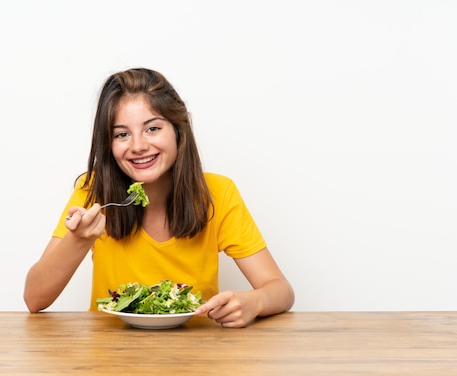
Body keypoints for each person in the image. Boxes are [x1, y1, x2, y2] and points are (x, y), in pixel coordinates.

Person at [24, 68, 294, 328]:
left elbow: (280, 290)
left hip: (197, 355)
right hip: (108, 355)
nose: (138, 145)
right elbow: (34, 298)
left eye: (152, 129)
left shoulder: (217, 193)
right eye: (122, 134)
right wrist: (79, 239)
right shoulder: (94, 191)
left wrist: (254, 302)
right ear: (109, 144)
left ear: (178, 130)